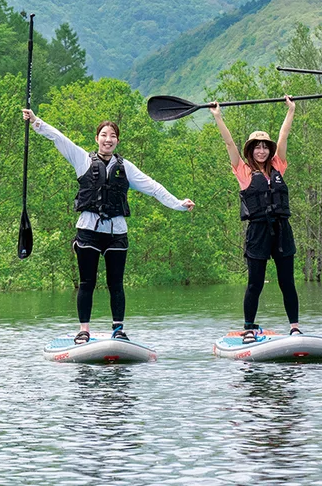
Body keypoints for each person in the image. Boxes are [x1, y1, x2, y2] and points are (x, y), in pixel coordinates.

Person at [22, 109, 194, 343]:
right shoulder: (82, 159)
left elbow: (153, 187)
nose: (108, 139)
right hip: (88, 232)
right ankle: (84, 330)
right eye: (104, 134)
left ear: (117, 141)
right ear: (97, 138)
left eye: (112, 135)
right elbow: (59, 138)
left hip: (116, 233)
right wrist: (35, 121)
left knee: (116, 284)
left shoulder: (126, 168)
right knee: (87, 282)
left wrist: (179, 204)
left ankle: (118, 329)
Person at [210, 96, 301, 342]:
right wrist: (218, 116)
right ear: (250, 150)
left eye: (265, 146)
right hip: (258, 232)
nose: (261, 150)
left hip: (282, 231)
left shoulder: (278, 167)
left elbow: (284, 136)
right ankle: (249, 328)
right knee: (255, 283)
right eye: (256, 147)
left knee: (287, 282)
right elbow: (229, 142)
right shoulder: (243, 170)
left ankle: (294, 327)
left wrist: (291, 110)